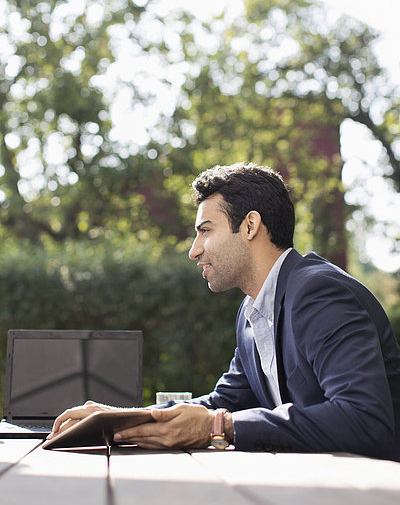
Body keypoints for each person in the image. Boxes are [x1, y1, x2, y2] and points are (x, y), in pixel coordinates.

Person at [47, 163, 400, 460]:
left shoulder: (319, 293)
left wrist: (221, 427)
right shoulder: (251, 311)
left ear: (250, 225)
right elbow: (223, 401)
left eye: (205, 231)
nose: (194, 251)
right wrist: (118, 419)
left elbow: (366, 420)